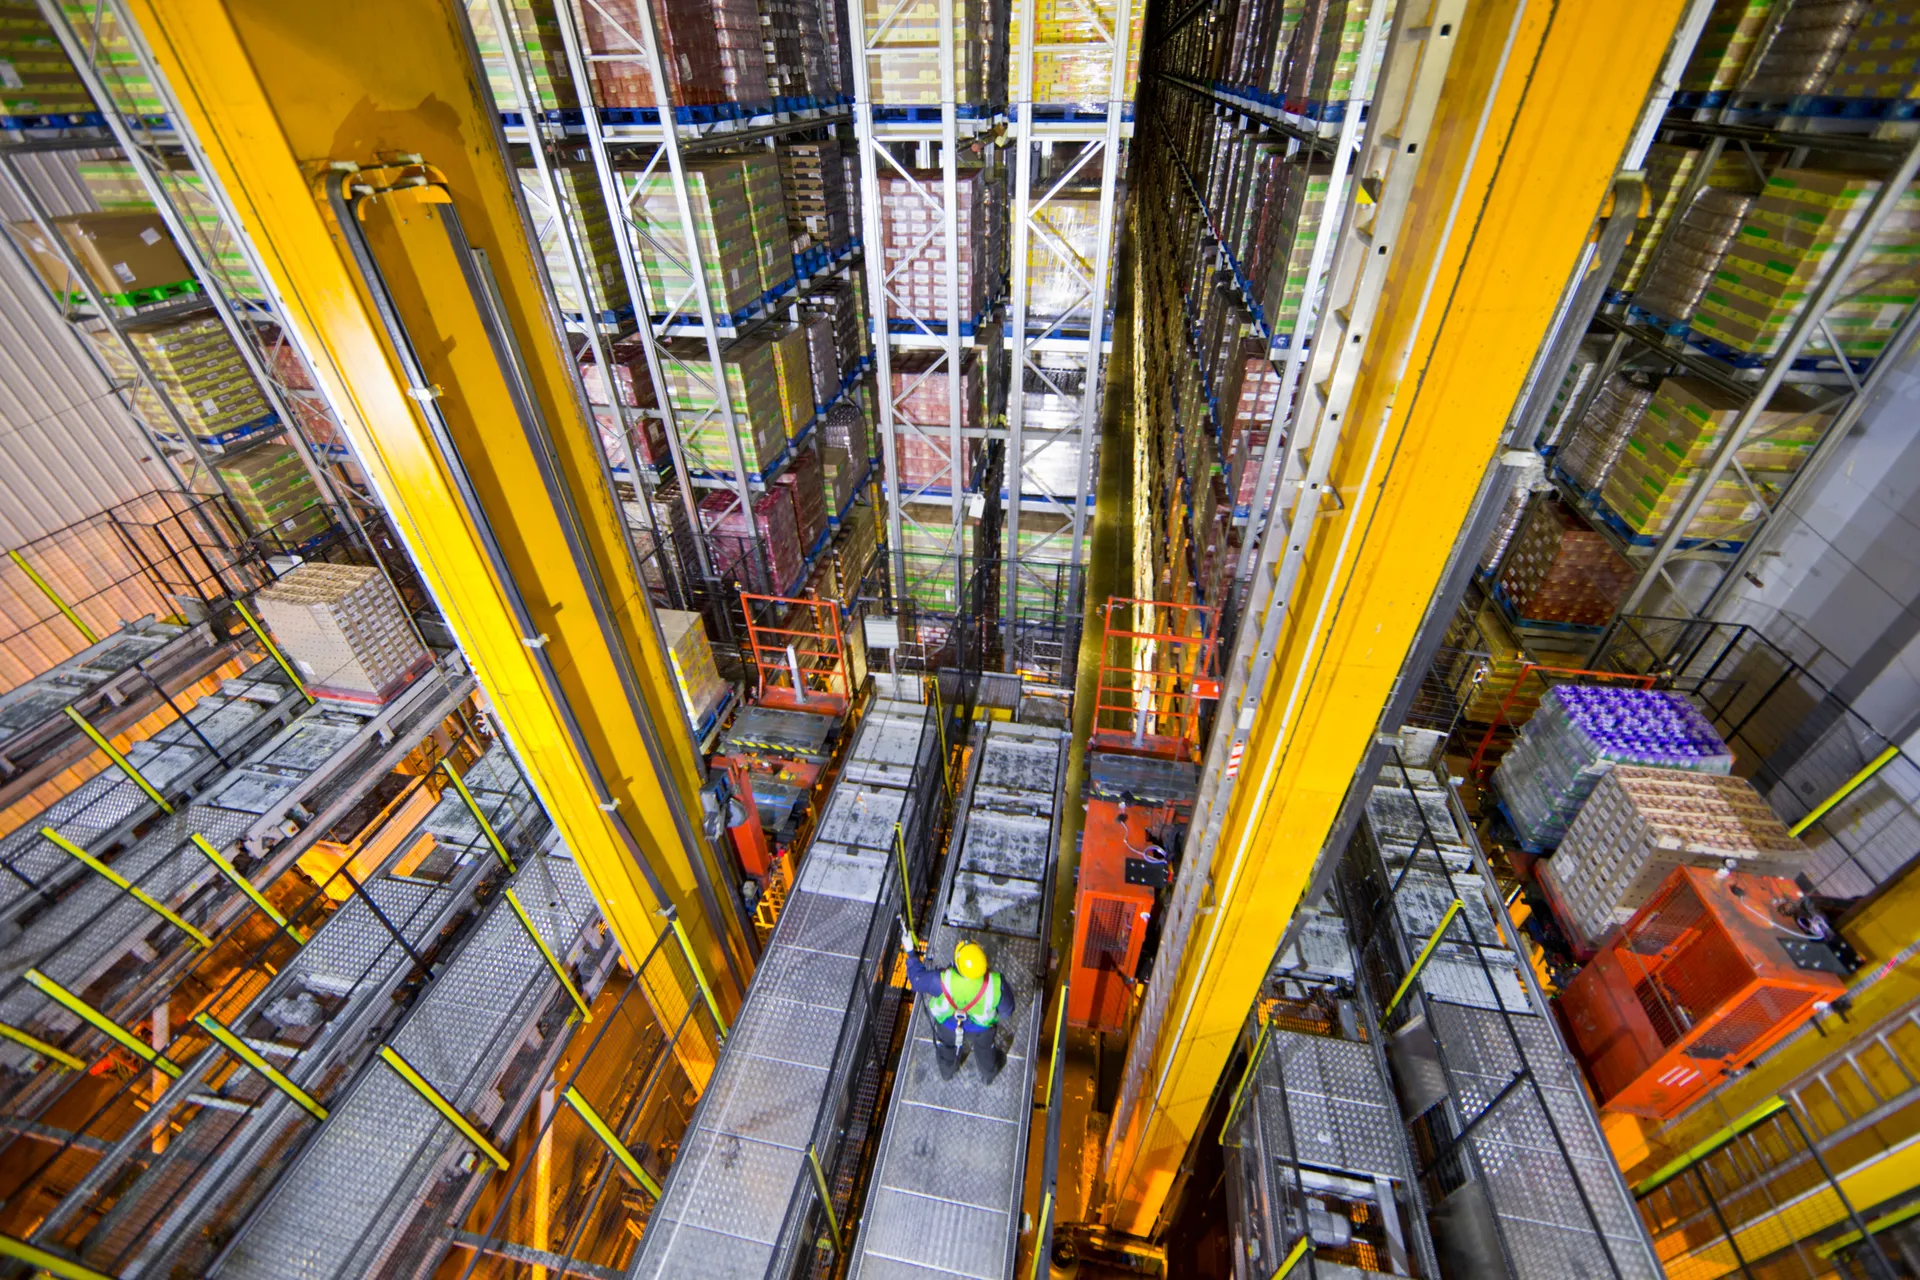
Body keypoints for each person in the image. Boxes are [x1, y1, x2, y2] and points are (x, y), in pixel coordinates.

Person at [902, 928, 1015, 1084]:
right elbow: (1006, 1012)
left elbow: (917, 979)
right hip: (982, 1029)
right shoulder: (996, 984)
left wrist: (911, 952)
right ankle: (989, 1074)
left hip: (948, 1025)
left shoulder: (941, 980)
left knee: (946, 1048)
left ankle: (947, 1072)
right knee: (985, 1051)